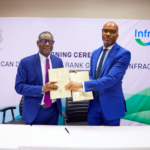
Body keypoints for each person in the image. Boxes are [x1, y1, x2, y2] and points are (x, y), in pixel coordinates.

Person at [65, 21, 131, 126]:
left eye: (112, 32)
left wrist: (81, 85)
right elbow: (93, 76)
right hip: (94, 103)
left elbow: (110, 79)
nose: (108, 34)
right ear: (102, 33)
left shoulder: (123, 54)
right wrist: (80, 77)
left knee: (111, 139)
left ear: (117, 35)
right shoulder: (95, 53)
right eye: (105, 31)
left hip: (111, 104)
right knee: (92, 138)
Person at [15, 31, 63, 125]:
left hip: (53, 110)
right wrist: (42, 89)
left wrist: (73, 78)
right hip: (35, 112)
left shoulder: (58, 61)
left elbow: (61, 82)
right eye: (44, 41)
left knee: (51, 139)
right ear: (38, 43)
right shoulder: (26, 62)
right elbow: (19, 87)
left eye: (51, 42)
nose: (47, 44)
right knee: (33, 140)